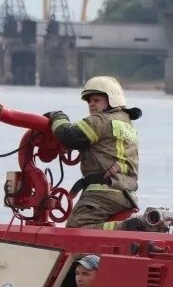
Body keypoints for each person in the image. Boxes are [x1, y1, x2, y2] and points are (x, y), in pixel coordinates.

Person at [46, 76, 157, 231]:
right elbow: (105, 148)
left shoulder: (100, 121)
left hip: (102, 194)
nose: (91, 104)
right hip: (127, 195)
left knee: (75, 229)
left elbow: (69, 136)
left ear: (111, 100)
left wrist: (57, 117)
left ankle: (125, 227)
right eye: (89, 101)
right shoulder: (126, 123)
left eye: (96, 100)